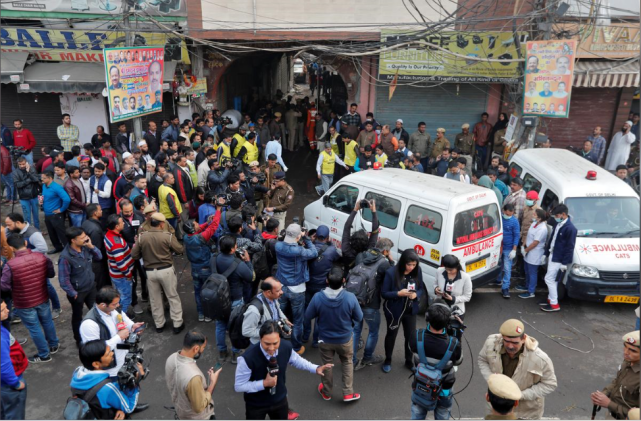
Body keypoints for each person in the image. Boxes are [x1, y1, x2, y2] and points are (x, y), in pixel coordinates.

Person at [234, 321, 333, 420]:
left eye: (275, 343)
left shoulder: (286, 347)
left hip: (280, 400)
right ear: (260, 339)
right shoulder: (247, 358)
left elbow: (297, 360)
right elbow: (239, 386)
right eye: (267, 343)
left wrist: (315, 368)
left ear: (280, 339)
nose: (271, 348)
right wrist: (264, 383)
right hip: (256, 405)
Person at [478, 319, 557, 419]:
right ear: (502, 337)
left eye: (515, 342)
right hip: (497, 410)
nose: (510, 346)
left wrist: (520, 395)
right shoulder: (491, 343)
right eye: (507, 341)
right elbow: (482, 359)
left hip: (526, 413)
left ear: (524, 338)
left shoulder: (540, 358)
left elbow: (550, 384)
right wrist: (493, 380)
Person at [305, 266, 362, 402]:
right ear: (343, 280)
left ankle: (326, 392)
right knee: (347, 362)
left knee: (327, 364)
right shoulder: (350, 297)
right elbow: (359, 317)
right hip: (345, 339)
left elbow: (308, 316)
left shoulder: (318, 297)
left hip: (325, 339)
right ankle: (348, 392)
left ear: (326, 281)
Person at [1, 234, 59, 363]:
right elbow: (51, 273)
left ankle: (44, 354)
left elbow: (4, 286)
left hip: (24, 302)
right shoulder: (41, 257)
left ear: (11, 248)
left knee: (34, 328)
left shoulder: (10, 265)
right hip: (42, 296)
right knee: (47, 321)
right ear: (26, 243)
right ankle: (54, 345)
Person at [131, 212, 184, 334]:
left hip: (150, 272)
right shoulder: (167, 236)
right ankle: (177, 323)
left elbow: (134, 255)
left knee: (155, 299)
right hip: (166, 270)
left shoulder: (142, 237)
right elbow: (180, 249)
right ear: (161, 224)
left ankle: (159, 324)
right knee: (172, 297)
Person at [409, 299, 462, 420]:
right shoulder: (453, 344)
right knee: (443, 414)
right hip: (444, 389)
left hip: (421, 385)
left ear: (427, 319)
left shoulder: (416, 336)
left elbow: (411, 348)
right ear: (447, 322)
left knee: (417, 414)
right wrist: (457, 334)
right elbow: (458, 360)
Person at [79, 287, 145, 379]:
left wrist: (132, 326)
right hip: (111, 371)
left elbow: (125, 320)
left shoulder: (114, 310)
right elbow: (95, 351)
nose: (118, 305)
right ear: (103, 305)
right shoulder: (89, 324)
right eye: (114, 304)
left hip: (125, 360)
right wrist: (119, 337)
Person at [71, 340, 145, 419]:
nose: (112, 353)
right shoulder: (107, 388)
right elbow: (128, 407)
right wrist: (135, 381)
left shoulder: (77, 372)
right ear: (96, 364)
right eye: (108, 354)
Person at [275, 224, 318, 355]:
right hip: (297, 289)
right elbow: (314, 252)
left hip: (281, 286)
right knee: (298, 320)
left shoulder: (278, 245)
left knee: (279, 317)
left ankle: (276, 343)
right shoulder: (299, 251)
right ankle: (296, 347)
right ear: (298, 235)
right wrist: (307, 238)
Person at [381, 249, 425, 373]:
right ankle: (388, 359)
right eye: (409, 264)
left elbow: (421, 288)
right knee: (391, 335)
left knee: (410, 337)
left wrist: (416, 295)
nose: (411, 267)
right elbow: (384, 293)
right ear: (403, 262)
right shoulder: (391, 273)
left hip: (410, 310)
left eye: (414, 265)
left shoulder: (417, 271)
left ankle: (409, 361)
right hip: (395, 311)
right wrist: (398, 293)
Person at [211, 234, 253, 362]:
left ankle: (222, 351)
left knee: (220, 326)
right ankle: (235, 353)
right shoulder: (239, 264)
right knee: (235, 326)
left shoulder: (213, 258)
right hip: (235, 299)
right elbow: (250, 277)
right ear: (233, 249)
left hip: (218, 299)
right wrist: (248, 261)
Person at [58, 227, 102, 348]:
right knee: (78, 316)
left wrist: (91, 246)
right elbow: (63, 279)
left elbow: (99, 257)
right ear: (73, 240)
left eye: (85, 236)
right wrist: (73, 293)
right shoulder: (65, 258)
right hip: (78, 292)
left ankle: (99, 335)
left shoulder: (86, 248)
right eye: (82, 238)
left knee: (97, 312)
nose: (86, 239)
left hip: (91, 287)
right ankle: (79, 340)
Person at [165, 331, 220, 420]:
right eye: (203, 347)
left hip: (180, 410)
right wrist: (212, 382)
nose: (203, 350)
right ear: (196, 348)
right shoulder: (194, 377)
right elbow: (199, 407)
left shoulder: (171, 358)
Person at [183, 204, 222, 322]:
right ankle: (208, 314)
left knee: (198, 291)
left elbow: (200, 228)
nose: (198, 224)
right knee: (208, 291)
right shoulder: (200, 238)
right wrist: (218, 211)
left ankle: (200, 313)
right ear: (194, 229)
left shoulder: (186, 237)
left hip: (194, 268)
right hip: (205, 267)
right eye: (196, 224)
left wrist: (206, 223)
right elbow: (214, 226)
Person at [304, 225, 341, 346]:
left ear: (315, 236)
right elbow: (338, 258)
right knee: (320, 314)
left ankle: (305, 336)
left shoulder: (309, 248)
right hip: (322, 287)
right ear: (328, 237)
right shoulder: (331, 250)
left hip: (308, 284)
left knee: (307, 311)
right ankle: (316, 340)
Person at [591, 331, 640, 420]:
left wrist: (608, 403)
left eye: (633, 350)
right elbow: (617, 382)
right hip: (611, 414)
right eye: (625, 347)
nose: (626, 352)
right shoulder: (628, 361)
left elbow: (637, 415)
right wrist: (604, 393)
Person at [540, 204, 577, 312]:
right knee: (553, 280)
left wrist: (564, 263)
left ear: (564, 214)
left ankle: (554, 304)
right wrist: (546, 254)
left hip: (559, 258)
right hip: (553, 255)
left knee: (549, 279)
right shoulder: (559, 224)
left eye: (557, 215)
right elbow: (552, 239)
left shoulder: (570, 229)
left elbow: (570, 247)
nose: (555, 217)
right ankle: (551, 299)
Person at [1, 299, 28, 420]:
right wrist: (15, 384)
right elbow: (3, 365)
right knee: (14, 414)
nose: (8, 310)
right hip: (8, 385)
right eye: (2, 310)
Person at [242, 278, 290, 345]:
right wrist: (270, 332)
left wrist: (284, 319)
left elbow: (277, 309)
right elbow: (246, 331)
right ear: (269, 292)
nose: (282, 292)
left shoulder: (273, 298)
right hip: (260, 344)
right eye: (278, 290)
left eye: (281, 289)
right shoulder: (254, 310)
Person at [103, 214, 134, 315]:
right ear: (116, 226)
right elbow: (120, 263)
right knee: (125, 298)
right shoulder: (116, 242)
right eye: (122, 222)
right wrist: (128, 274)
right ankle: (122, 319)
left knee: (119, 297)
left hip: (115, 273)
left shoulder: (109, 235)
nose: (124, 223)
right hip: (122, 276)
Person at [434, 255, 472, 330]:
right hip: (439, 310)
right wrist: (436, 288)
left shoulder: (465, 277)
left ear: (457, 267)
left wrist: (453, 299)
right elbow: (435, 283)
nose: (448, 272)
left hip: (456, 313)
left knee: (454, 337)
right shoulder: (439, 271)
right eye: (446, 269)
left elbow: (467, 297)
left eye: (451, 270)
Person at [518, 208, 547, 299]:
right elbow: (528, 235)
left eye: (534, 215)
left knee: (532, 272)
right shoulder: (534, 224)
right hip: (528, 251)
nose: (533, 216)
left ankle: (531, 292)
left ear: (539, 218)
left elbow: (535, 243)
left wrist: (525, 251)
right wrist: (523, 246)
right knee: (527, 270)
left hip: (535, 253)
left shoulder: (542, 229)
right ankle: (527, 285)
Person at [41, 171, 71, 254]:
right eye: (42, 178)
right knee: (52, 233)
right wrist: (42, 202)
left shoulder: (57, 187)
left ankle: (68, 250)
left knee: (61, 233)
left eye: (44, 178)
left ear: (50, 178)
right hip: (47, 214)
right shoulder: (44, 186)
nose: (42, 179)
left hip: (56, 215)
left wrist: (61, 209)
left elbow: (67, 199)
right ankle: (58, 247)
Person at [82, 204, 110, 290]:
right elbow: (96, 249)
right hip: (97, 262)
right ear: (95, 213)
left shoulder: (86, 223)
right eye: (100, 210)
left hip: (90, 259)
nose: (101, 211)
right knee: (101, 284)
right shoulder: (95, 230)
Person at [12, 157, 41, 230]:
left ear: (27, 163)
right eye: (20, 164)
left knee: (36, 216)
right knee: (27, 217)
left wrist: (28, 172)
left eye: (23, 164)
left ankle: (37, 230)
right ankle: (28, 231)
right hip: (24, 198)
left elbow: (36, 179)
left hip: (34, 196)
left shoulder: (32, 169)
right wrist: (28, 180)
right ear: (18, 164)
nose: (22, 166)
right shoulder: (15, 172)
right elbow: (17, 185)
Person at [498, 203, 520, 299]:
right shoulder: (499, 219)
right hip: (498, 247)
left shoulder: (514, 221)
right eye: (508, 213)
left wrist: (514, 249)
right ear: (504, 211)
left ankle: (505, 287)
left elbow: (516, 236)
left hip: (508, 248)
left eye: (511, 213)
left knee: (507, 268)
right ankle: (498, 279)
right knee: (497, 265)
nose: (510, 214)